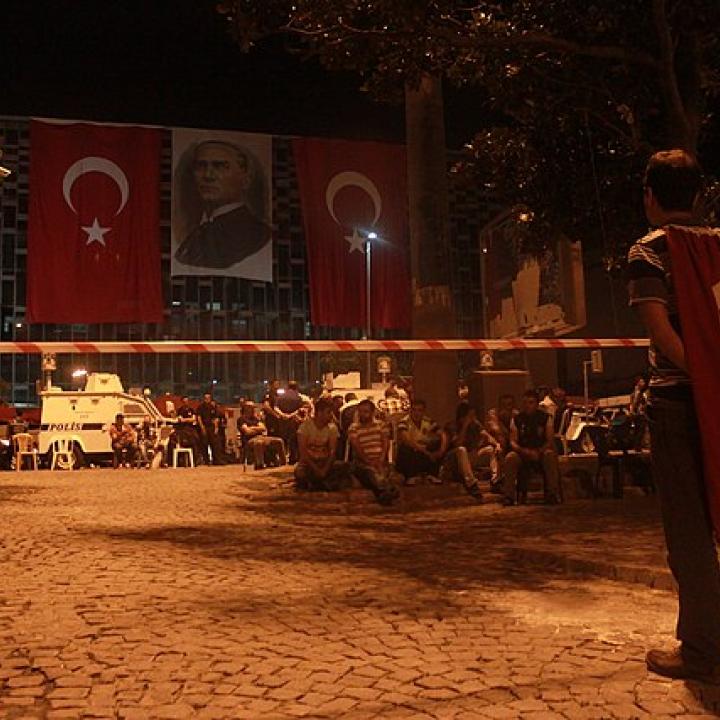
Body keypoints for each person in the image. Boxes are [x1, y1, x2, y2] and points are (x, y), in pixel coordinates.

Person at [627, 148, 720, 682]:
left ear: (650, 196)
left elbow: (662, 334)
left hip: (680, 403)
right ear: (701, 195)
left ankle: (703, 648)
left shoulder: (648, 250)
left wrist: (707, 379)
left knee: (688, 531)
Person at [174, 140, 271, 269]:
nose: (208, 176)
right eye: (201, 166)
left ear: (246, 180)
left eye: (220, 166)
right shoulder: (197, 231)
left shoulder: (257, 234)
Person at [501, 389, 561, 505]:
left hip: (540, 452)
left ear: (537, 403)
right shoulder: (517, 419)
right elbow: (513, 441)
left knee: (550, 455)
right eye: (525, 403)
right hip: (522, 453)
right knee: (510, 458)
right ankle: (508, 496)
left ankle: (552, 493)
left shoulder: (545, 418)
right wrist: (524, 451)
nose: (527, 405)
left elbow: (549, 440)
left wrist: (539, 451)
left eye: (531, 402)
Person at [348, 400, 399, 506]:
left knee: (379, 472)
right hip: (362, 462)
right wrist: (369, 461)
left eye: (366, 411)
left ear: (372, 412)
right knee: (369, 472)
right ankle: (386, 490)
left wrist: (380, 460)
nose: (363, 414)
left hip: (380, 460)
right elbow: (357, 447)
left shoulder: (381, 426)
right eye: (360, 411)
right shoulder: (354, 428)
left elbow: (385, 443)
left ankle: (383, 493)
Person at [294, 398, 350, 491]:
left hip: (325, 462)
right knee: (300, 473)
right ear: (319, 413)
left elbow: (332, 452)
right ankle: (321, 482)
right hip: (309, 463)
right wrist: (316, 469)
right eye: (328, 412)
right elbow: (303, 453)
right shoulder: (305, 427)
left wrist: (324, 469)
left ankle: (317, 483)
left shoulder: (332, 428)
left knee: (345, 467)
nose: (331, 416)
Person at [395, 400, 446, 485]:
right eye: (414, 410)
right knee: (406, 448)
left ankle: (432, 474)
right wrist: (427, 453)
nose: (416, 413)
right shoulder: (404, 422)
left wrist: (442, 450)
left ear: (423, 411)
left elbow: (443, 434)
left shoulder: (427, 421)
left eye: (419, 410)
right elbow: (407, 440)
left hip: (422, 452)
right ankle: (410, 476)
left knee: (436, 442)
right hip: (410, 454)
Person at [239, 402, 286, 469]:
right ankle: (260, 464)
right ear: (246, 409)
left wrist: (252, 428)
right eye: (251, 408)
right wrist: (257, 429)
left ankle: (283, 462)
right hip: (249, 440)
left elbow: (263, 428)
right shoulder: (242, 419)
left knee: (279, 441)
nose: (253, 410)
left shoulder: (256, 419)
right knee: (259, 443)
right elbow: (247, 432)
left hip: (262, 437)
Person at [196, 392, 226, 465]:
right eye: (205, 398)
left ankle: (217, 460)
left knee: (215, 444)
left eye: (208, 398)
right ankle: (206, 461)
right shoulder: (200, 407)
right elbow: (199, 418)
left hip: (212, 427)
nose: (207, 399)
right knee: (204, 444)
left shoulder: (213, 407)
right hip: (204, 426)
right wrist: (202, 427)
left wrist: (216, 428)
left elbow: (215, 418)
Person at [174, 396, 203, 464]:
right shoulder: (180, 410)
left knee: (196, 440)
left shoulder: (191, 410)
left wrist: (186, 420)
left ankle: (195, 460)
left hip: (191, 429)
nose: (186, 403)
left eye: (187, 401)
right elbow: (180, 419)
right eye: (184, 401)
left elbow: (193, 419)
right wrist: (188, 420)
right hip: (183, 430)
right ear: (182, 402)